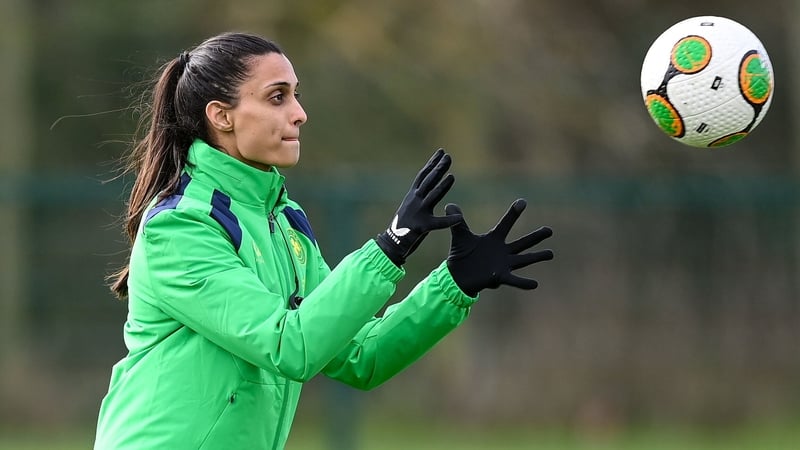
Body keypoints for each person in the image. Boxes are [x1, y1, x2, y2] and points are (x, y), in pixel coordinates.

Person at [94, 32, 554, 450]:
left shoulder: (284, 221)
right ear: (222, 117)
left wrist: (453, 284)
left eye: (296, 96)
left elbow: (360, 355)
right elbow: (288, 346)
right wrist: (391, 245)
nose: (299, 113)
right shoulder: (179, 228)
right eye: (278, 97)